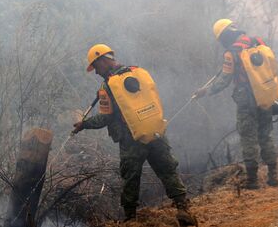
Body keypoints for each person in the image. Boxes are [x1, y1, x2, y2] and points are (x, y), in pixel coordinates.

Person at [72, 44, 197, 225]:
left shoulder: (107, 87)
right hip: (156, 131)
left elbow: (105, 118)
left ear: (103, 60)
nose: (97, 73)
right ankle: (183, 207)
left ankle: (130, 218)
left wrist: (84, 124)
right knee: (167, 170)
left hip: (132, 139)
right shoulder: (138, 72)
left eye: (96, 67)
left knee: (131, 177)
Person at [194, 19, 278, 189]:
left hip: (246, 101)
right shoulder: (257, 41)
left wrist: (205, 91)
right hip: (266, 94)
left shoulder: (230, 54)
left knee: (249, 138)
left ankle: (252, 181)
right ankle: (273, 176)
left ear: (224, 36)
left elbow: (223, 82)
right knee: (266, 135)